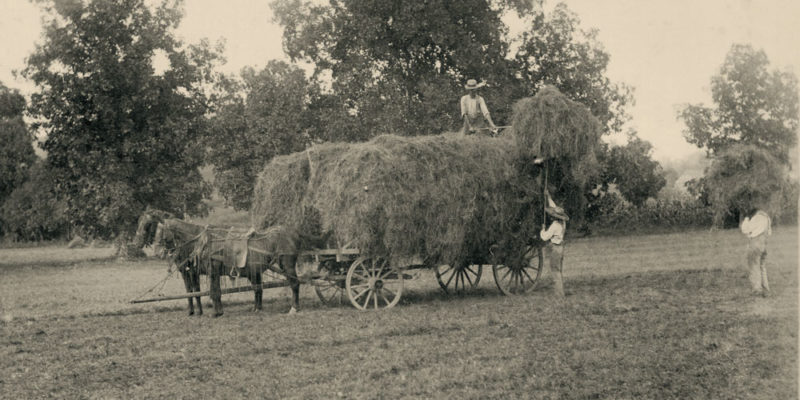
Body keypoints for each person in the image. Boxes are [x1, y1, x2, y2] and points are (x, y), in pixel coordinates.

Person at [540, 193, 568, 298]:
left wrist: (542, 229)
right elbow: (553, 206)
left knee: (555, 271)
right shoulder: (563, 223)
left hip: (555, 249)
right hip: (560, 247)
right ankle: (560, 293)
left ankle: (559, 295)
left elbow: (544, 237)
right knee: (558, 270)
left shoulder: (555, 225)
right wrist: (548, 196)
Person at [740, 208, 772, 297]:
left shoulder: (756, 218)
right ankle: (766, 288)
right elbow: (769, 233)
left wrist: (746, 219)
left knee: (754, 266)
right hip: (764, 243)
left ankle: (757, 289)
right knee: (762, 266)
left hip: (755, 243)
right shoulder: (767, 218)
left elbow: (745, 229)